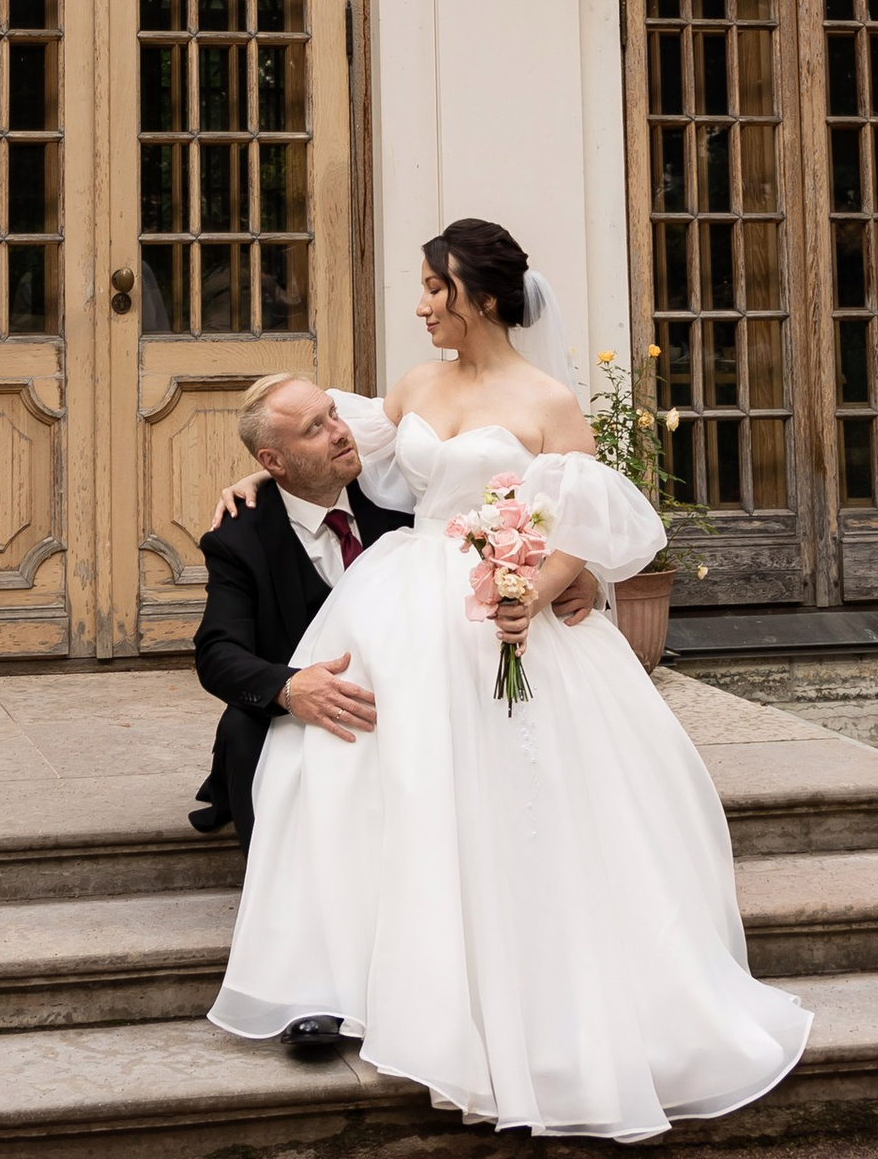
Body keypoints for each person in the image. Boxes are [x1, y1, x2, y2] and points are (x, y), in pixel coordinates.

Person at [202, 218, 812, 1143]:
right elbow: (314, 442)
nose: (421, 307)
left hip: (505, 615)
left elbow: (588, 523)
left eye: (433, 290)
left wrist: (541, 585)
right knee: (339, 764)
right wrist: (250, 483)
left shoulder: (547, 401)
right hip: (406, 603)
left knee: (521, 798)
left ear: (478, 296)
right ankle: (353, 973)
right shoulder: (411, 387)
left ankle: (529, 995)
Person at [191, 375, 598, 856]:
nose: (340, 432)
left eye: (334, 415)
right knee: (242, 729)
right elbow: (218, 652)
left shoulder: (404, 498)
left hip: (415, 684)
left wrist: (570, 574)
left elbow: (495, 529)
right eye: (314, 429)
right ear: (273, 462)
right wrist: (290, 688)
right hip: (319, 695)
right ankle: (279, 888)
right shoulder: (239, 537)